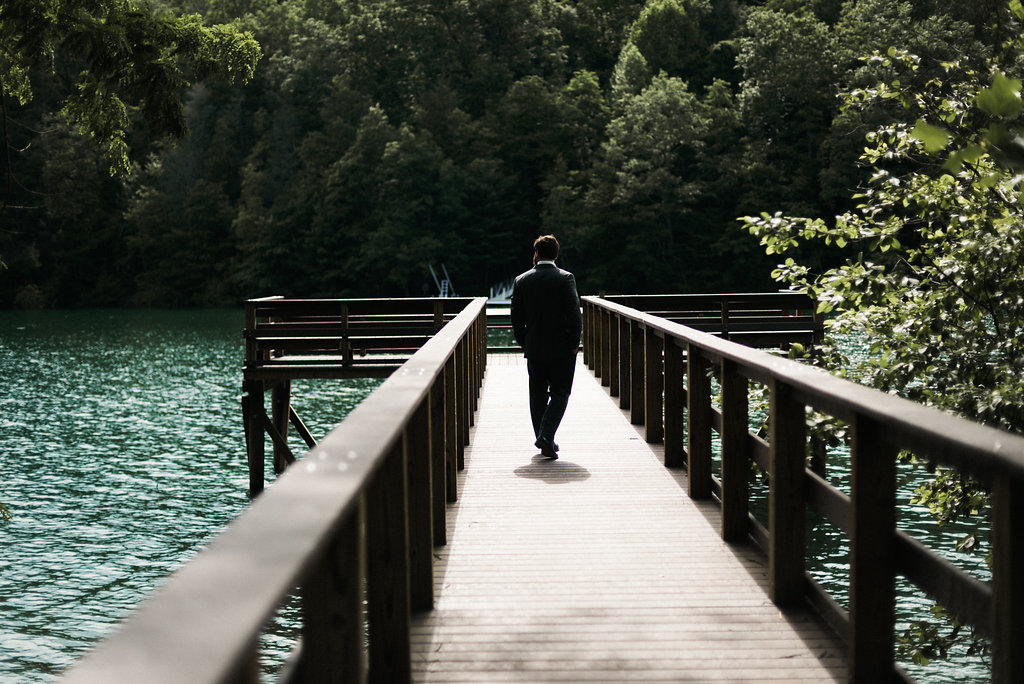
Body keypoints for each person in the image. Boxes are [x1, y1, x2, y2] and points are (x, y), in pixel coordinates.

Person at [510, 234, 582, 460]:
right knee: (561, 392)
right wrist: (574, 344)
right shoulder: (565, 278)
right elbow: (574, 315)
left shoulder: (521, 280)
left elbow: (516, 318)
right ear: (556, 254)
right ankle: (546, 435)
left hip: (535, 348)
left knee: (537, 395)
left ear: (537, 254)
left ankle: (544, 439)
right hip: (562, 349)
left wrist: (525, 342)